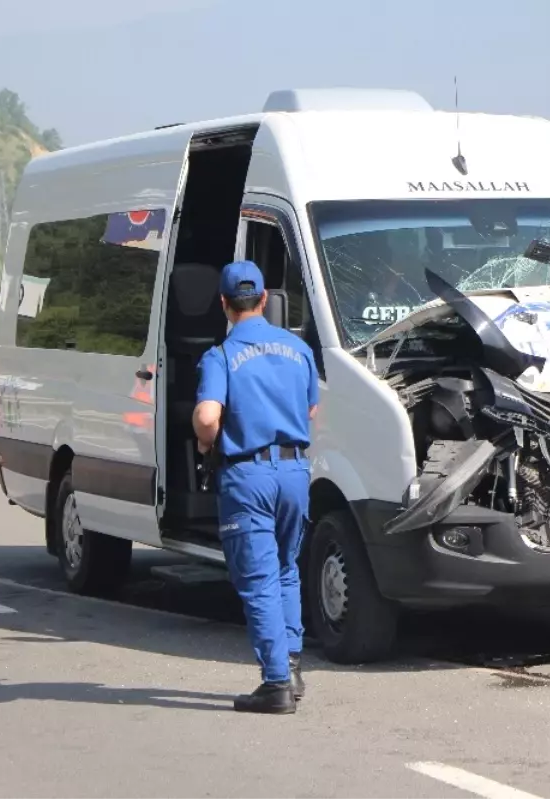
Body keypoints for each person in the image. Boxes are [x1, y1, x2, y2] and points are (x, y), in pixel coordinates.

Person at [192, 260, 318, 715]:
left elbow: (208, 418)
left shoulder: (221, 356)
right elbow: (311, 413)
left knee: (259, 580)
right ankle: (292, 663)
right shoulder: (298, 349)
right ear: (265, 299)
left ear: (224, 304)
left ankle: (276, 683)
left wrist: (205, 441)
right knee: (287, 570)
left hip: (248, 477)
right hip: (294, 472)